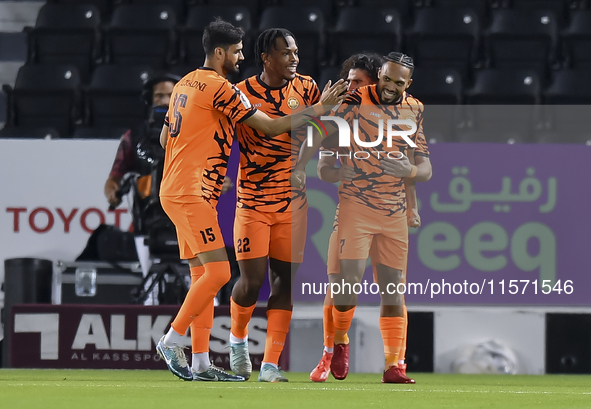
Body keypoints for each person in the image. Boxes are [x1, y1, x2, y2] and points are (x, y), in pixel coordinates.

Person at [155, 19, 347, 382]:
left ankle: (200, 363)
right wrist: (321, 108)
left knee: (202, 275)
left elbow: (167, 139)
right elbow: (272, 127)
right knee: (220, 273)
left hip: (187, 188)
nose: (240, 56)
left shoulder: (184, 83)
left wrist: (202, 156)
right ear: (219, 52)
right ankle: (171, 340)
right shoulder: (223, 88)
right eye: (237, 50)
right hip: (196, 192)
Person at [313, 52, 432, 384]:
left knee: (394, 291)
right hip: (355, 209)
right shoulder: (350, 106)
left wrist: (411, 196)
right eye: (387, 78)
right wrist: (339, 170)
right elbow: (322, 165)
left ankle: (395, 365)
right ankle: (337, 343)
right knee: (344, 286)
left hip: (392, 215)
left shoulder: (415, 110)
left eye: (399, 81)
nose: (391, 86)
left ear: (407, 83)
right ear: (380, 74)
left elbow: (421, 167)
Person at [227, 28, 321, 383]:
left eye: (296, 52)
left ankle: (269, 364)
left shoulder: (308, 88)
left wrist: (301, 164)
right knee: (251, 282)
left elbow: (316, 130)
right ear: (266, 57)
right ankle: (237, 342)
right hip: (253, 201)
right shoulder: (242, 93)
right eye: (286, 53)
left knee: (285, 282)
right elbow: (259, 131)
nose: (294, 59)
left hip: (293, 203)